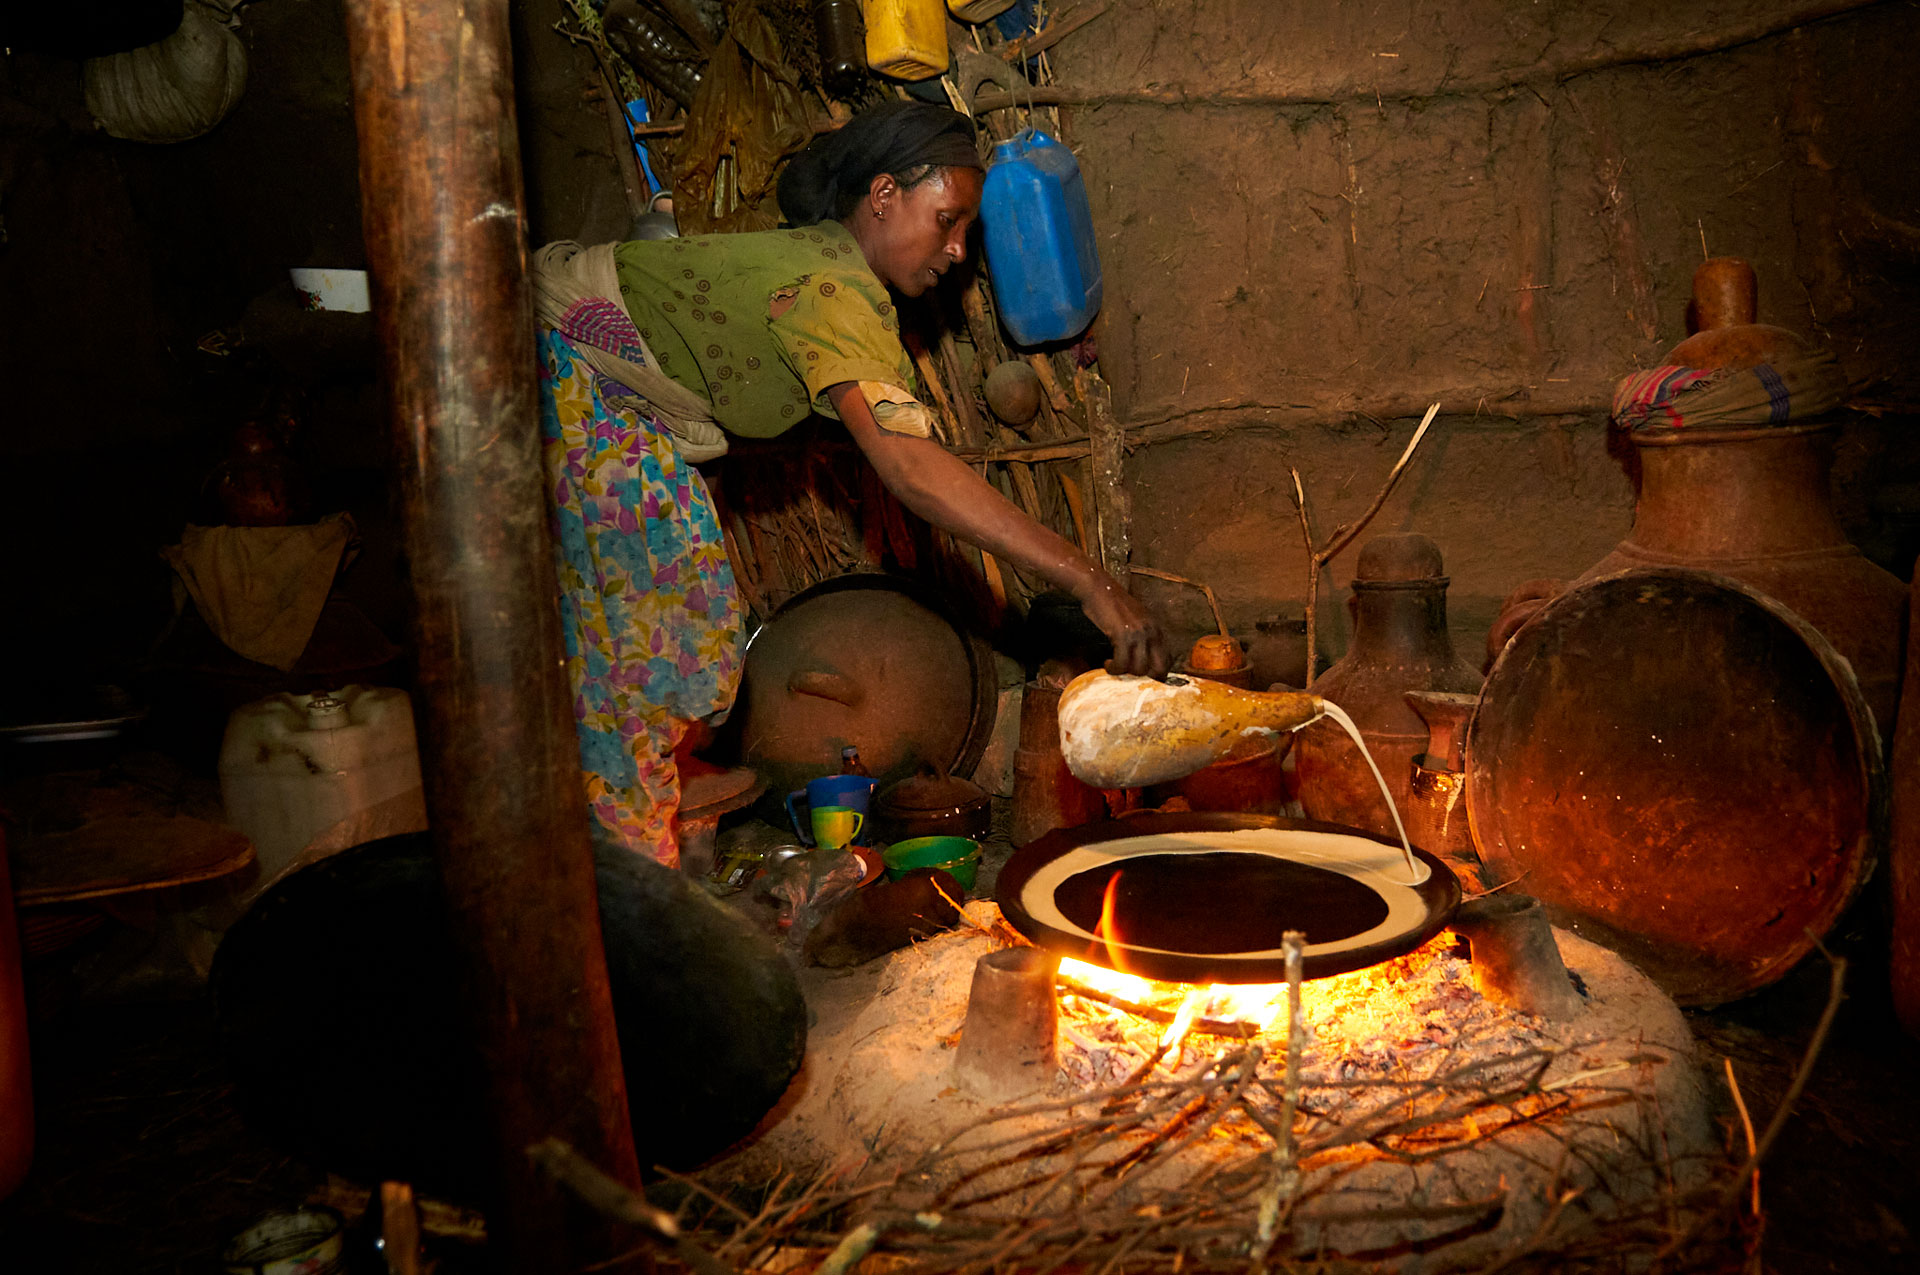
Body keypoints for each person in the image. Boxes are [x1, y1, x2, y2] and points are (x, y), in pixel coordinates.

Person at [531, 100, 1168, 864]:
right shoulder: (831, 289)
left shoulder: (836, 278)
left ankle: (623, 843)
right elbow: (909, 467)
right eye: (949, 219)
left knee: (669, 649)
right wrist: (1090, 579)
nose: (960, 249)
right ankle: (622, 878)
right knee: (658, 653)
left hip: (595, 394)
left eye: (968, 231)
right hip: (566, 377)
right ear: (885, 195)